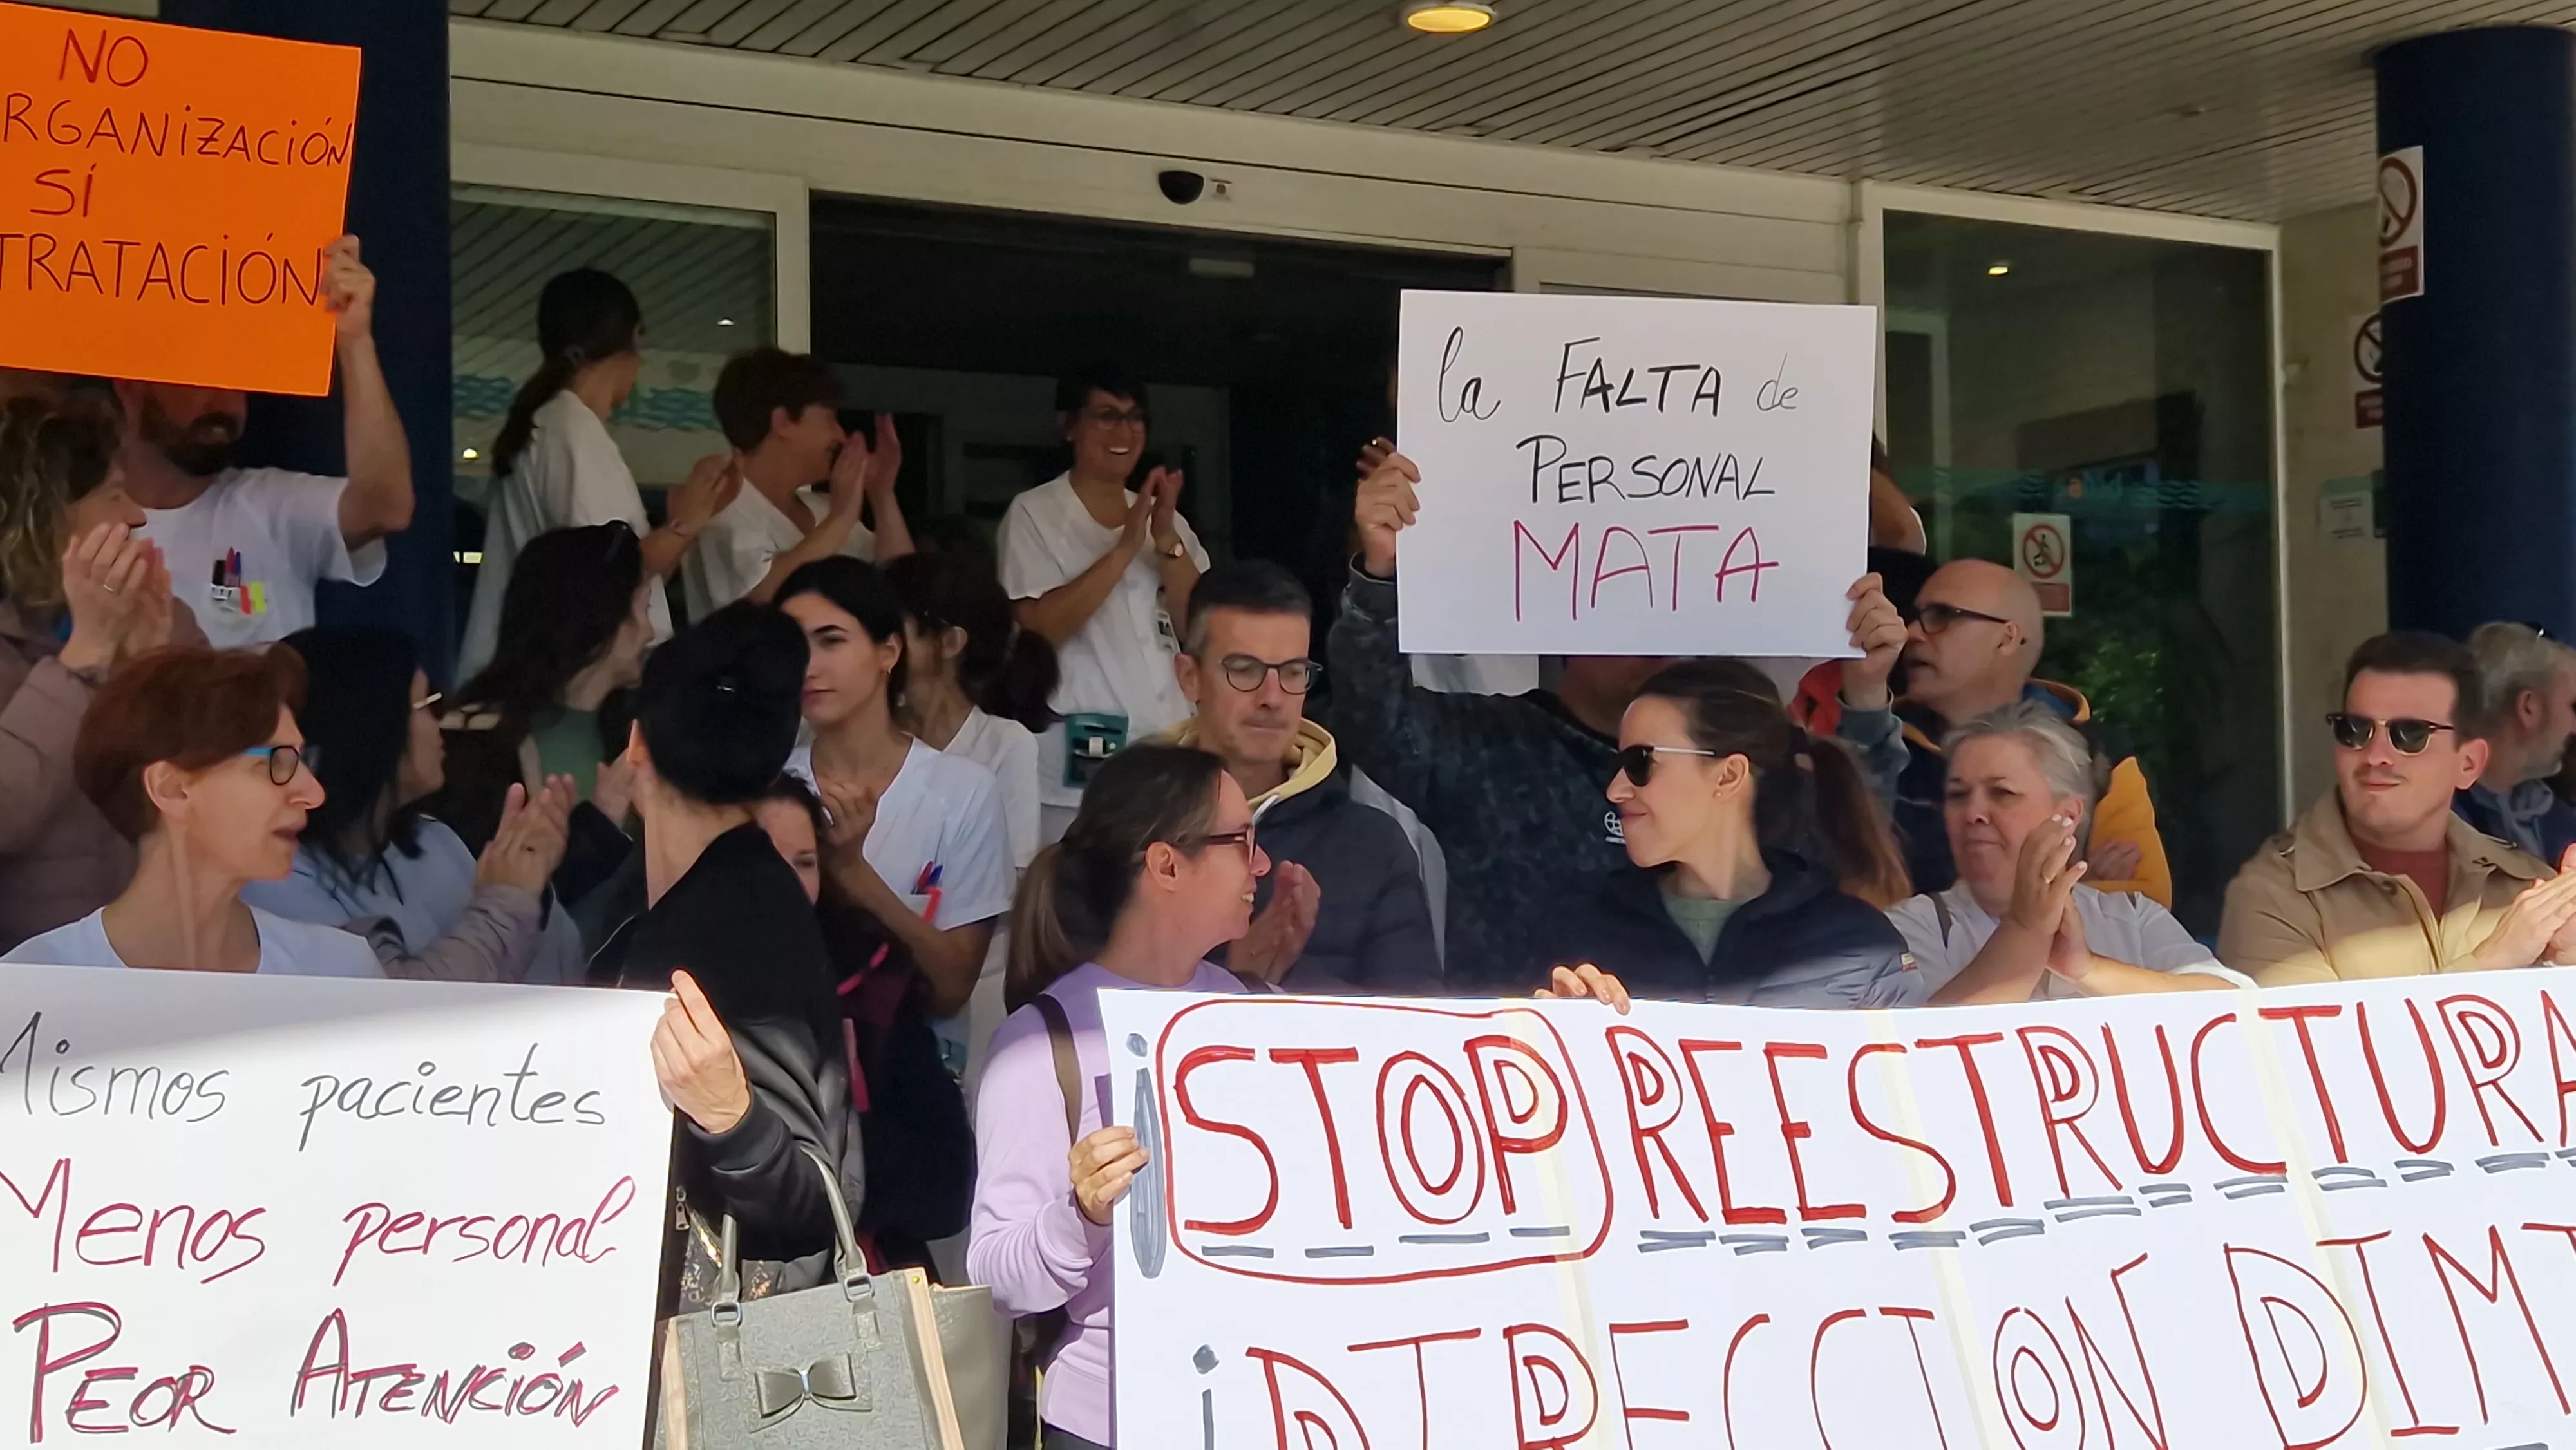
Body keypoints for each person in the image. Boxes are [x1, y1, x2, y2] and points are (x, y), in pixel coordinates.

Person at [1330, 448, 1909, 987]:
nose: (1650, 628)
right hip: (1523, 1071)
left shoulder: (1740, 763)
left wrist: (1865, 695)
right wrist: (1380, 577)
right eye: (1622, 596)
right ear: (1563, 609)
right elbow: (1372, 715)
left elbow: (1852, 831)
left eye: (1666, 600)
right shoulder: (1494, 746)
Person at [971, 744, 1274, 1450]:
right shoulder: (1040, 1043)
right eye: (1241, 841)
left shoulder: (1258, 1013)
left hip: (1258, 1400)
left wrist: (1554, 1033)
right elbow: (993, 1274)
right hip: (1109, 1420)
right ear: (1166, 864)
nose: (1260, 864)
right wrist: (1080, 1216)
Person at [588, 601, 862, 1312]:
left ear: (636, 746)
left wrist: (733, 1116)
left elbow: (811, 1205)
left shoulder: (734, 923)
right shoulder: (706, 900)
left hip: (723, 1374)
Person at [1536, 659, 1917, 1006]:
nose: (1616, 789)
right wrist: (1560, 1039)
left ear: (1729, 775)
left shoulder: (1860, 944)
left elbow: (1909, 1082)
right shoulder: (1587, 936)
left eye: (1641, 763)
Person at [2222, 631, 2576, 984]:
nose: (2376, 756)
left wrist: (2565, 965)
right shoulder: (2269, 896)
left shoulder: (2527, 884)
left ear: (2469, 763)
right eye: (2355, 730)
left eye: (2410, 735)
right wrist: (2490, 963)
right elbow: (2312, 1040)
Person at [4, 646, 379, 976]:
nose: (313, 793)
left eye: (301, 760)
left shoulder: (339, 973)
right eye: (277, 763)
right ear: (173, 790)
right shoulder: (31, 990)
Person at [117, 236, 414, 648]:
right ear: (132, 385)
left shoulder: (272, 506)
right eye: (204, 377)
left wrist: (355, 340)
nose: (227, 401)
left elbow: (387, 508)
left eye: (242, 381)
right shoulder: (67, 520)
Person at [242, 627, 583, 983]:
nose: (440, 722)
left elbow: (560, 967)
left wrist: (532, 878)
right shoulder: (276, 876)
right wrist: (509, 900)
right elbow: (399, 1005)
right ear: (371, 725)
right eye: (425, 705)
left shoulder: (434, 840)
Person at [459, 269, 739, 677]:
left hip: (535, 675)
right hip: (551, 684)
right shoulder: (571, 431)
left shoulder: (557, 424)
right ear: (635, 338)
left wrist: (684, 523)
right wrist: (687, 522)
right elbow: (605, 574)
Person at [1170, 559, 1434, 992]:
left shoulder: (1374, 844)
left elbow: (1420, 1025)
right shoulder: (1128, 823)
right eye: (1245, 670)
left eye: (1293, 672)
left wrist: (1281, 983)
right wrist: (1228, 979)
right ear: (1189, 677)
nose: (1273, 698)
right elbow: (1075, 999)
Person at [1848, 556, 2170, 905]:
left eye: (1941, 617)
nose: (1912, 633)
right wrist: (2069, 885)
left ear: (2007, 638)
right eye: (1960, 795)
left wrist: (1971, 900)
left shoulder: (2099, 753)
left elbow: (2146, 901)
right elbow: (1853, 898)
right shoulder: (1878, 739)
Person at [781, 558, 1014, 1033]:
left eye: (831, 640)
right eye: (791, 644)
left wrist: (854, 874)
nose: (809, 664)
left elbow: (951, 988)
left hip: (913, 1076)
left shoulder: (964, 791)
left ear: (889, 651)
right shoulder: (769, 786)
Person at [1889, 702, 2249, 1001]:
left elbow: (2235, 1009)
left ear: (2068, 815)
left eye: (2002, 793)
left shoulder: (2131, 916)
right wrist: (2026, 929)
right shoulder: (1913, 926)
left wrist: (2088, 968)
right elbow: (1922, 1049)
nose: (1974, 813)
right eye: (1958, 795)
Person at [0, 396, 194, 948]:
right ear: (45, 516)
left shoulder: (159, 613)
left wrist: (155, 669)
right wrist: (85, 655)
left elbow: (209, 792)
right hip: (26, 985)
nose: (136, 514)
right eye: (112, 493)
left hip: (156, 962)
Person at [999, 366, 1209, 845]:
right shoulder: (1035, 513)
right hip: (1080, 754)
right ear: (1069, 425)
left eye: (1135, 418)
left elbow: (1203, 628)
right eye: (1107, 416)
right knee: (1079, 899)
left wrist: (1164, 540)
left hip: (1170, 746)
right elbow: (1039, 629)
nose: (1125, 432)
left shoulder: (1166, 519)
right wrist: (1122, 550)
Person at [685, 348, 913, 620]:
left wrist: (882, 493)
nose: (840, 435)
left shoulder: (823, 508)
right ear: (782, 422)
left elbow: (904, 583)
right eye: (829, 419)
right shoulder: (720, 502)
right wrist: (841, 518)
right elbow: (762, 596)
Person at [884, 548, 1052, 876]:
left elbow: (1011, 879)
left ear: (950, 642)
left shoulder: (1005, 744)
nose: (876, 641)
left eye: (892, 627)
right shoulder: (865, 729)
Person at [2457, 621, 2576, 862]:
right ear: (2529, 708)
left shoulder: (2552, 812)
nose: (2574, 729)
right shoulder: (2439, 827)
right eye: (2574, 707)